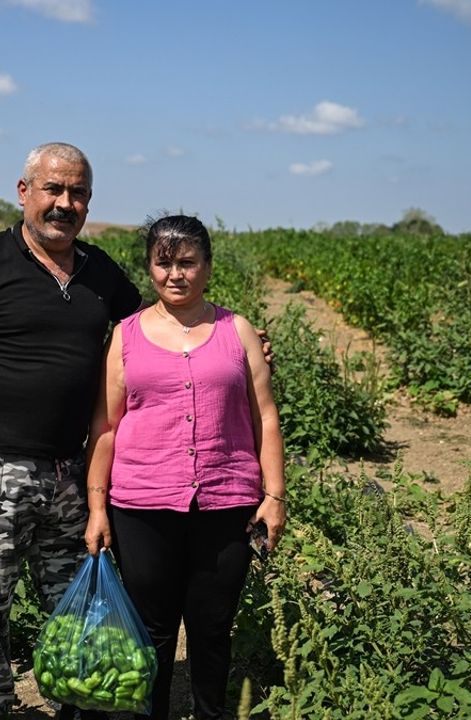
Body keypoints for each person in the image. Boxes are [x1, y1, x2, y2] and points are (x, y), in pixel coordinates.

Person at [0, 142, 142, 720]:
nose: (65, 204)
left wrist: (234, 335)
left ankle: (81, 698)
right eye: (53, 190)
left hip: (70, 469)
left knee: (77, 596)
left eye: (78, 193)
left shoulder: (101, 272)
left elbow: (155, 326)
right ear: (24, 192)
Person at [83, 214, 287, 720]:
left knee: (212, 626)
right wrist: (96, 507)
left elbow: (264, 415)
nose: (176, 274)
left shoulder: (236, 330)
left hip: (226, 500)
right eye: (164, 262)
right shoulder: (125, 336)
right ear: (150, 267)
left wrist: (274, 495)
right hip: (142, 504)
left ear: (208, 268)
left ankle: (210, 712)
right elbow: (106, 426)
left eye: (188, 262)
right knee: (152, 629)